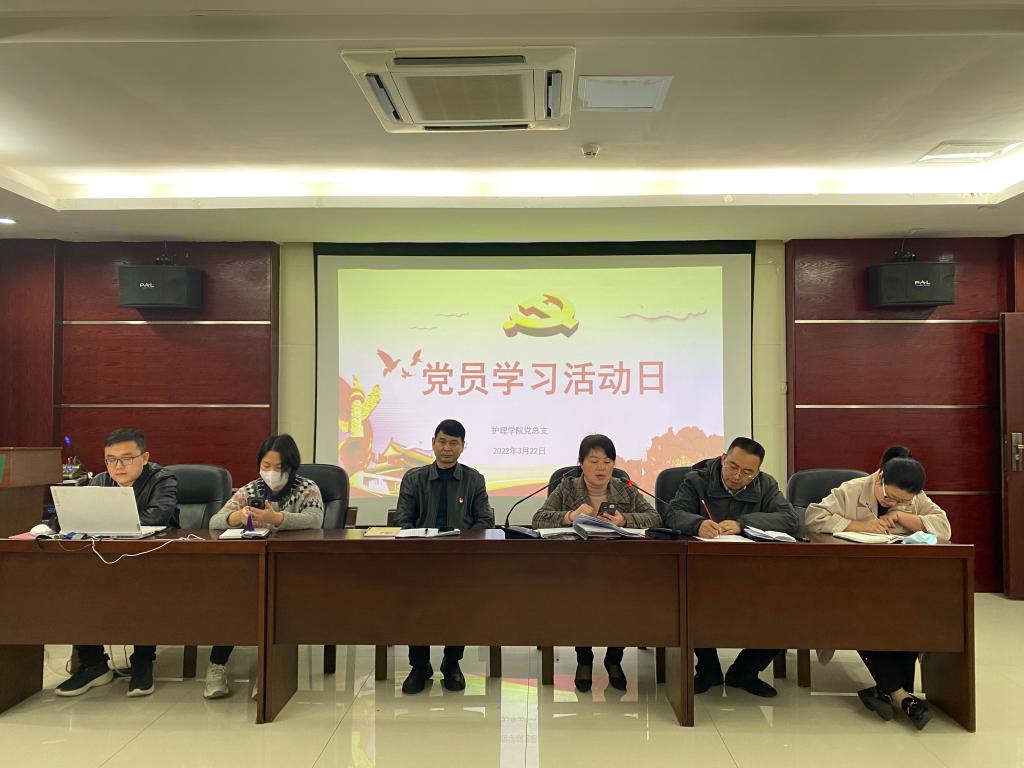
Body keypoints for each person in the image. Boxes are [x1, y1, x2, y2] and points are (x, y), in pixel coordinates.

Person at [805, 451, 950, 730]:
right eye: (890, 497)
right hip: (849, 582)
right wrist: (858, 525)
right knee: (860, 614)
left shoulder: (914, 498)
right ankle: (901, 695)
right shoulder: (852, 490)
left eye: (902, 501)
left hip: (896, 584)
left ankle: (890, 691)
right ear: (880, 478)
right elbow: (812, 517)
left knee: (911, 614)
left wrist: (903, 516)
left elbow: (944, 528)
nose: (893, 503)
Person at [662, 436, 799, 698]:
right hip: (703, 570)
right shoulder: (697, 480)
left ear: (757, 472)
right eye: (733, 466)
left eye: (747, 472)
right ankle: (708, 670)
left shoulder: (766, 484)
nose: (737, 476)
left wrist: (742, 523)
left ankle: (745, 671)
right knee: (689, 597)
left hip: (753, 571)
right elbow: (672, 514)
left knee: (789, 603)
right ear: (723, 458)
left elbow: (791, 519)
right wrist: (697, 524)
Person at [55, 427, 178, 698]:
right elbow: (75, 518)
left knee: (142, 589)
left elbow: (156, 517)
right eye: (111, 459)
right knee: (76, 586)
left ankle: (143, 662)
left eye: (126, 458)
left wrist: (103, 522)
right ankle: (93, 665)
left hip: (152, 561)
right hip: (104, 559)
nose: (118, 466)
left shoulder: (162, 479)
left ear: (145, 457)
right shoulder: (100, 480)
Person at [532, 434, 661, 693]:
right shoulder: (567, 487)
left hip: (620, 567)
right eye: (593, 461)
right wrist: (570, 516)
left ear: (614, 464)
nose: (601, 467)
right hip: (577, 566)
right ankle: (584, 659)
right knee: (582, 599)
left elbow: (654, 517)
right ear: (581, 463)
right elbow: (539, 518)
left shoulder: (625, 488)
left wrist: (624, 520)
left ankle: (614, 659)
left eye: (607, 461)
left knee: (626, 601)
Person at [204, 434, 324, 699]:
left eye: (278, 467)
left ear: (291, 467)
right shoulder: (251, 490)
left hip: (295, 569)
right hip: (253, 568)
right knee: (235, 600)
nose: (270, 472)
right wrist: (236, 517)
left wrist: (276, 517)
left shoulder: (307, 488)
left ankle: (268, 670)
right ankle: (217, 665)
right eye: (265, 465)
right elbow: (215, 521)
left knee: (271, 601)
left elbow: (314, 520)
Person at [394, 419, 494, 694]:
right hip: (421, 558)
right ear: (433, 443)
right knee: (417, 605)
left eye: (453, 443)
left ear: (462, 447)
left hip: (460, 560)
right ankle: (419, 665)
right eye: (442, 441)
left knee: (459, 606)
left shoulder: (474, 479)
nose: (447, 448)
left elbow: (485, 520)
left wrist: (463, 545)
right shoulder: (414, 478)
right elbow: (403, 519)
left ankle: (451, 663)